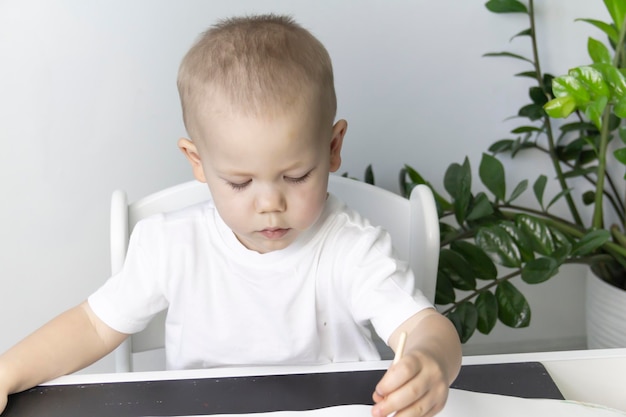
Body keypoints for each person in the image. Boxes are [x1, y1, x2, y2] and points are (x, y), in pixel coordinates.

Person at [0, 14, 461, 417]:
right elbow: (94, 325)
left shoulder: (351, 247)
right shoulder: (170, 246)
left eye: (297, 175)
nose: (269, 204)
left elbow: (423, 326)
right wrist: (7, 373)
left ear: (333, 147)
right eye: (240, 183)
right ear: (197, 162)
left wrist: (431, 361)